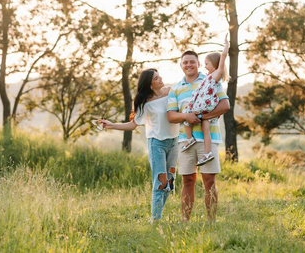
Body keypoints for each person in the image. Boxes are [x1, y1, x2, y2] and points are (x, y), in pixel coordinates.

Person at [97, 69, 179, 221]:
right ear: (150, 84)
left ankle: (158, 215)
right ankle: (156, 219)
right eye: (156, 77)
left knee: (170, 182)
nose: (160, 78)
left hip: (174, 142)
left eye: (159, 75)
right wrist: (111, 125)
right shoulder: (145, 102)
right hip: (157, 143)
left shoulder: (171, 92)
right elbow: (133, 125)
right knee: (160, 181)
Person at [167, 41, 230, 221]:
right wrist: (186, 116)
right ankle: (185, 221)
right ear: (181, 65)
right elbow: (171, 116)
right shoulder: (176, 89)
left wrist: (201, 117)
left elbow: (225, 105)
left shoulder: (210, 80)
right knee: (187, 181)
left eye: (192, 62)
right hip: (185, 141)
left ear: (198, 64)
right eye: (185, 62)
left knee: (209, 181)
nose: (189, 65)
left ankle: (211, 220)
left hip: (207, 139)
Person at [181, 36, 230, 170]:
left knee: (186, 114)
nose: (205, 65)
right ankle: (207, 153)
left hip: (204, 104)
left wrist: (226, 46)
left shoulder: (215, 75)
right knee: (205, 128)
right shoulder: (208, 76)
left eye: (207, 63)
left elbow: (223, 58)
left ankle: (189, 138)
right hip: (206, 105)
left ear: (214, 64)